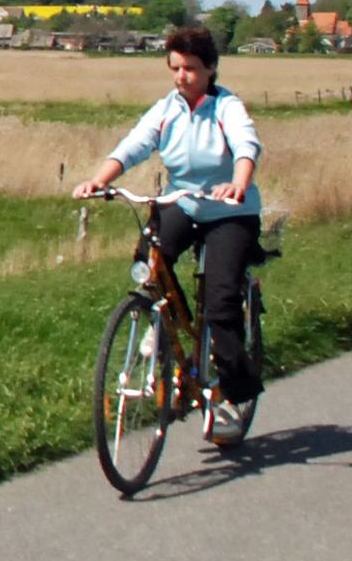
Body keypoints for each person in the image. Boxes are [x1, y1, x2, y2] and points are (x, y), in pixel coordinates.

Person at [74, 25, 265, 443]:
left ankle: (233, 395)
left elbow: (247, 146)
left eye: (192, 69)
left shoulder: (226, 107)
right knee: (149, 260)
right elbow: (132, 146)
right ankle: (158, 320)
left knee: (221, 302)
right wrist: (99, 180)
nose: (182, 76)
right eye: (176, 68)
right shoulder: (166, 109)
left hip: (230, 210)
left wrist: (238, 182)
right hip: (183, 200)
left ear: (211, 69)